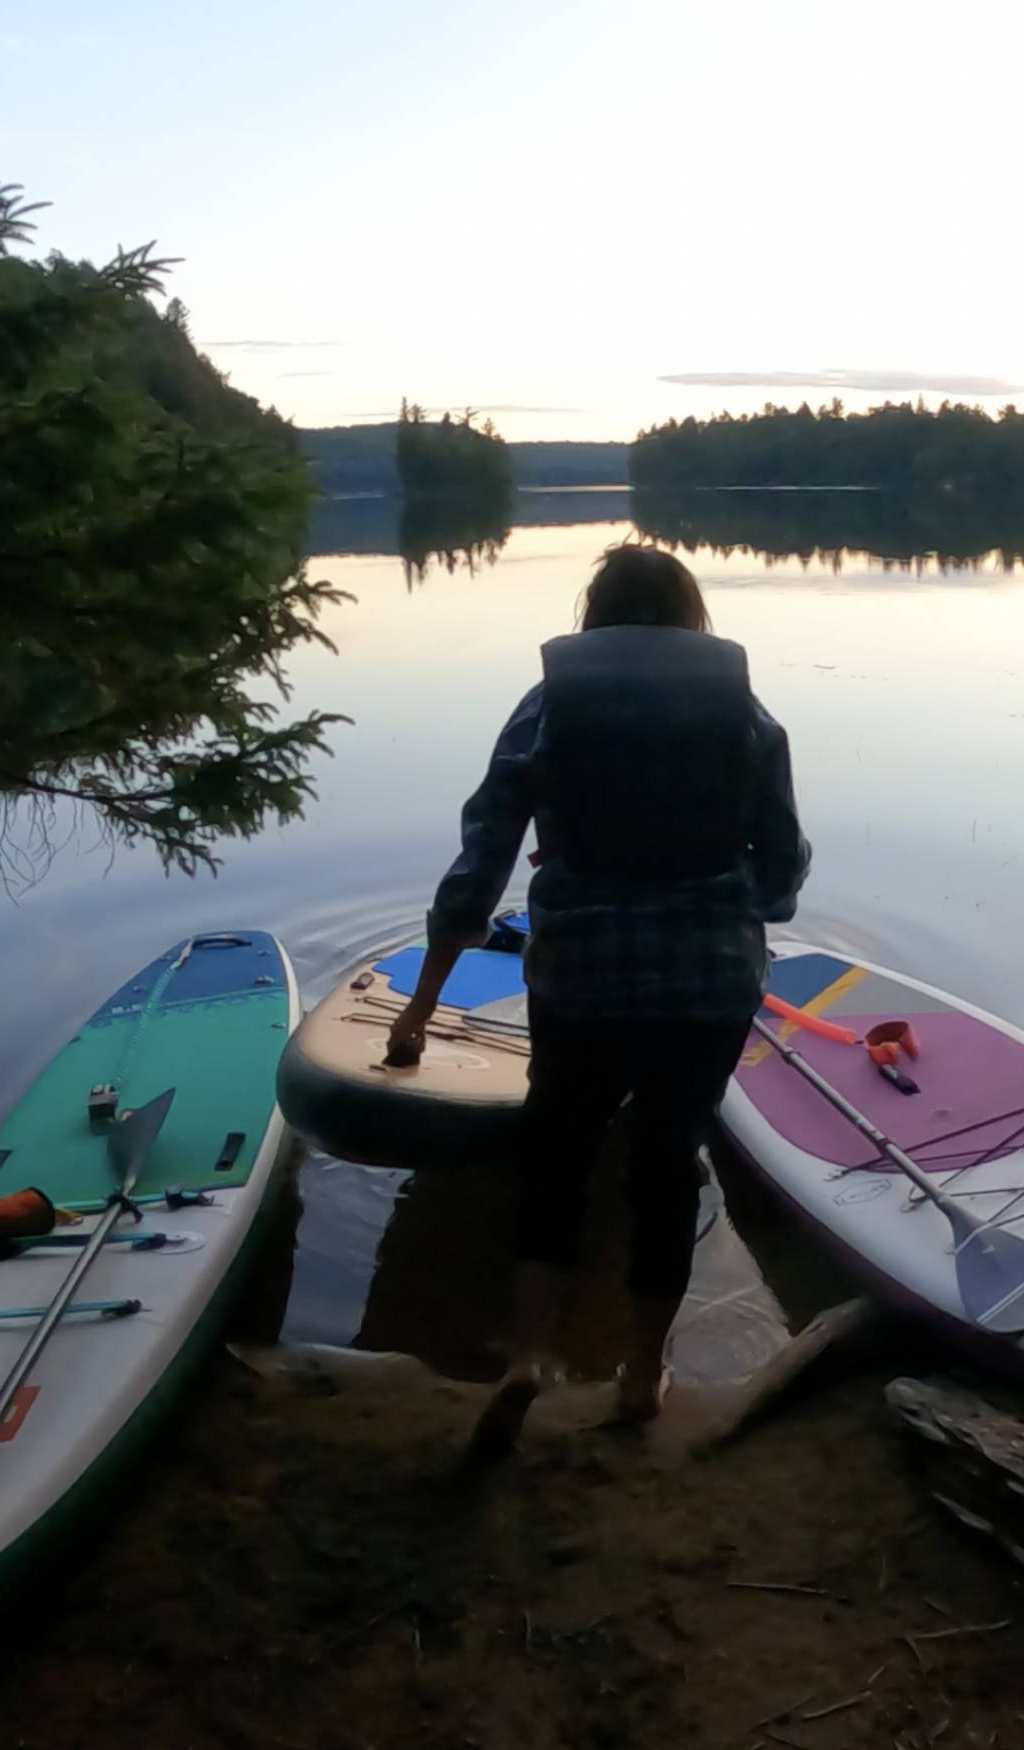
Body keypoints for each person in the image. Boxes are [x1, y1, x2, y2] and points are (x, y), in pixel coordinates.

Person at [384, 543, 808, 1457]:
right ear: (691, 616)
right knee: (666, 1164)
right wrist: (750, 902)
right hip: (706, 978)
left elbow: (484, 854)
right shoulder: (744, 715)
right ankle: (643, 1374)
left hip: (581, 972)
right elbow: (781, 867)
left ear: (596, 615)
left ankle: (527, 1355)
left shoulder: (548, 706)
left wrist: (424, 998)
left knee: (557, 1153)